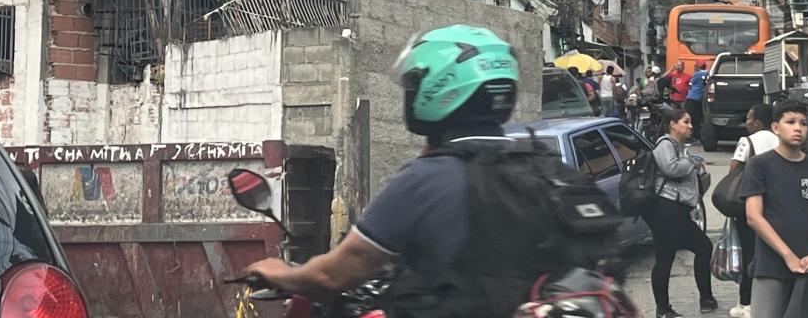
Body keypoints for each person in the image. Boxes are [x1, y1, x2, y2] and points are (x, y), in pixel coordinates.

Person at [245, 25, 618, 317]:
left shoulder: (427, 179)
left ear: (439, 91)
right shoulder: (541, 165)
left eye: (413, 84)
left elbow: (335, 274)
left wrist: (279, 271)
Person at [740, 100, 808, 318]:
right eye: (790, 122)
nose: (798, 128)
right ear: (776, 127)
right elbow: (753, 216)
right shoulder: (760, 165)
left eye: (803, 123)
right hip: (771, 265)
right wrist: (788, 256)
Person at [645, 108, 717, 318]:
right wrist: (692, 162)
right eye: (685, 122)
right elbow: (671, 168)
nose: (690, 126)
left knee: (701, 248)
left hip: (676, 211)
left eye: (690, 122)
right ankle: (664, 309)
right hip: (666, 210)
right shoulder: (665, 144)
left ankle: (705, 299)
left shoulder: (677, 146)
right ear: (672, 124)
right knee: (667, 257)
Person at [727, 103, 777, 318]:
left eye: (749, 118)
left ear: (757, 121)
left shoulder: (747, 141)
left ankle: (746, 302)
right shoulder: (778, 139)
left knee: (749, 253)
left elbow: (733, 168)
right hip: (775, 206)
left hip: (750, 205)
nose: (747, 123)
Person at [685, 61, 708, 138]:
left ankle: (689, 136)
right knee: (698, 118)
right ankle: (697, 136)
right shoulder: (708, 73)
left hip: (691, 98)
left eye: (695, 65)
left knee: (689, 117)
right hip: (700, 100)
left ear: (698, 66)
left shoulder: (697, 74)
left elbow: (690, 85)